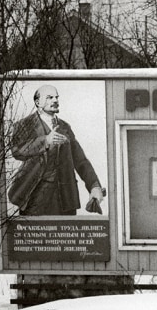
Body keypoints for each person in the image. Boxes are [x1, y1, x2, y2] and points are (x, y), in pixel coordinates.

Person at [8, 84, 104, 215]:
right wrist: (46, 140)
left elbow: (80, 160)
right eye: (49, 98)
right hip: (33, 196)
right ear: (37, 102)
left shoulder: (65, 127)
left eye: (56, 97)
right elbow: (17, 151)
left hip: (64, 199)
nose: (55, 101)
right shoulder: (24, 125)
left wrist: (94, 186)